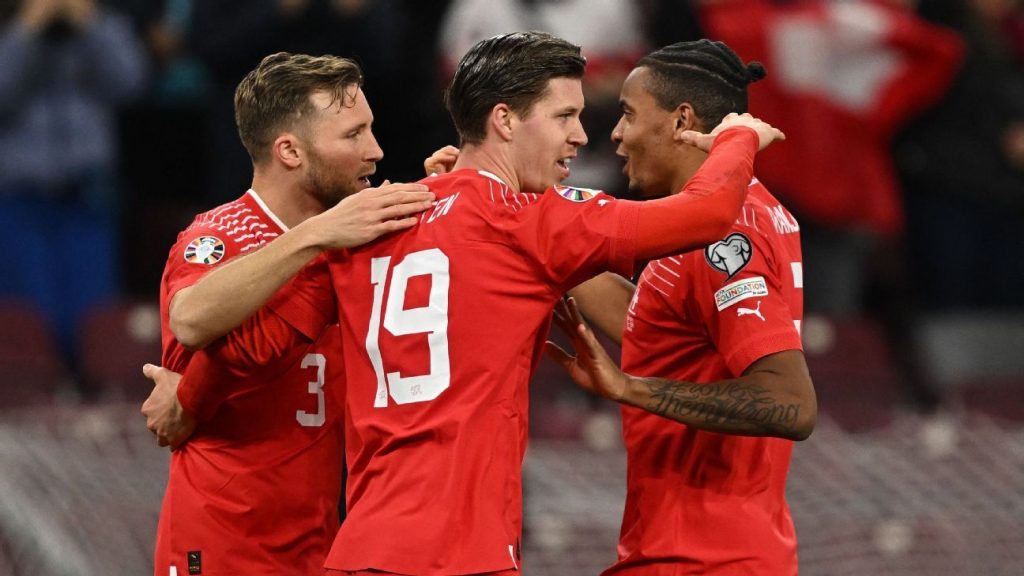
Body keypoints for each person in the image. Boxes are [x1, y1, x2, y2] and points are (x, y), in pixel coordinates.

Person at [146, 32, 784, 575]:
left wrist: (190, 395)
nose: (581, 135)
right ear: (504, 120)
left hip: (357, 548)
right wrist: (737, 138)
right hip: (449, 550)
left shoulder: (375, 228)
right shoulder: (527, 222)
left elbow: (249, 344)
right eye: (565, 116)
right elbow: (705, 213)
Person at [141, 51, 434, 576]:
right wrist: (315, 235)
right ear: (290, 151)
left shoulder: (356, 242)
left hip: (317, 543)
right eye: (353, 134)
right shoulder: (219, 234)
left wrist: (447, 190)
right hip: (222, 543)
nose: (376, 150)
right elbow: (190, 318)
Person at [547, 40, 816, 575]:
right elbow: (660, 326)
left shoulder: (727, 234)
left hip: (703, 558)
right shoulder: (721, 220)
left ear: (681, 121)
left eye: (628, 114)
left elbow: (791, 402)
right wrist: (525, 216)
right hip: (709, 551)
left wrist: (628, 388)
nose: (616, 133)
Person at [0, 0, 147, 367]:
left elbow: (131, 80)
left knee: (93, 321)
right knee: (29, 323)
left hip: (87, 197)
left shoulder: (97, 22)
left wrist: (90, 21)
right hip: (20, 197)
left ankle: (93, 394)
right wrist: (28, 27)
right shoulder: (12, 28)